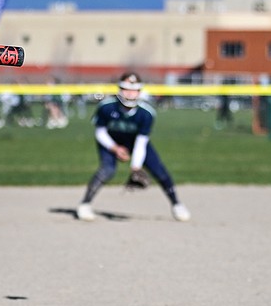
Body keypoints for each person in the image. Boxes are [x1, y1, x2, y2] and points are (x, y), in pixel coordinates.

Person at [76, 72, 190, 223]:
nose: (130, 94)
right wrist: (115, 148)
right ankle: (85, 204)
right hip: (110, 142)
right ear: (119, 90)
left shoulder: (146, 114)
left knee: (159, 171)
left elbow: (141, 142)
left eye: (134, 90)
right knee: (107, 170)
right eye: (126, 89)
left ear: (140, 91)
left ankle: (177, 204)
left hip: (135, 143)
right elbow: (100, 132)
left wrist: (135, 167)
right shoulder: (106, 107)